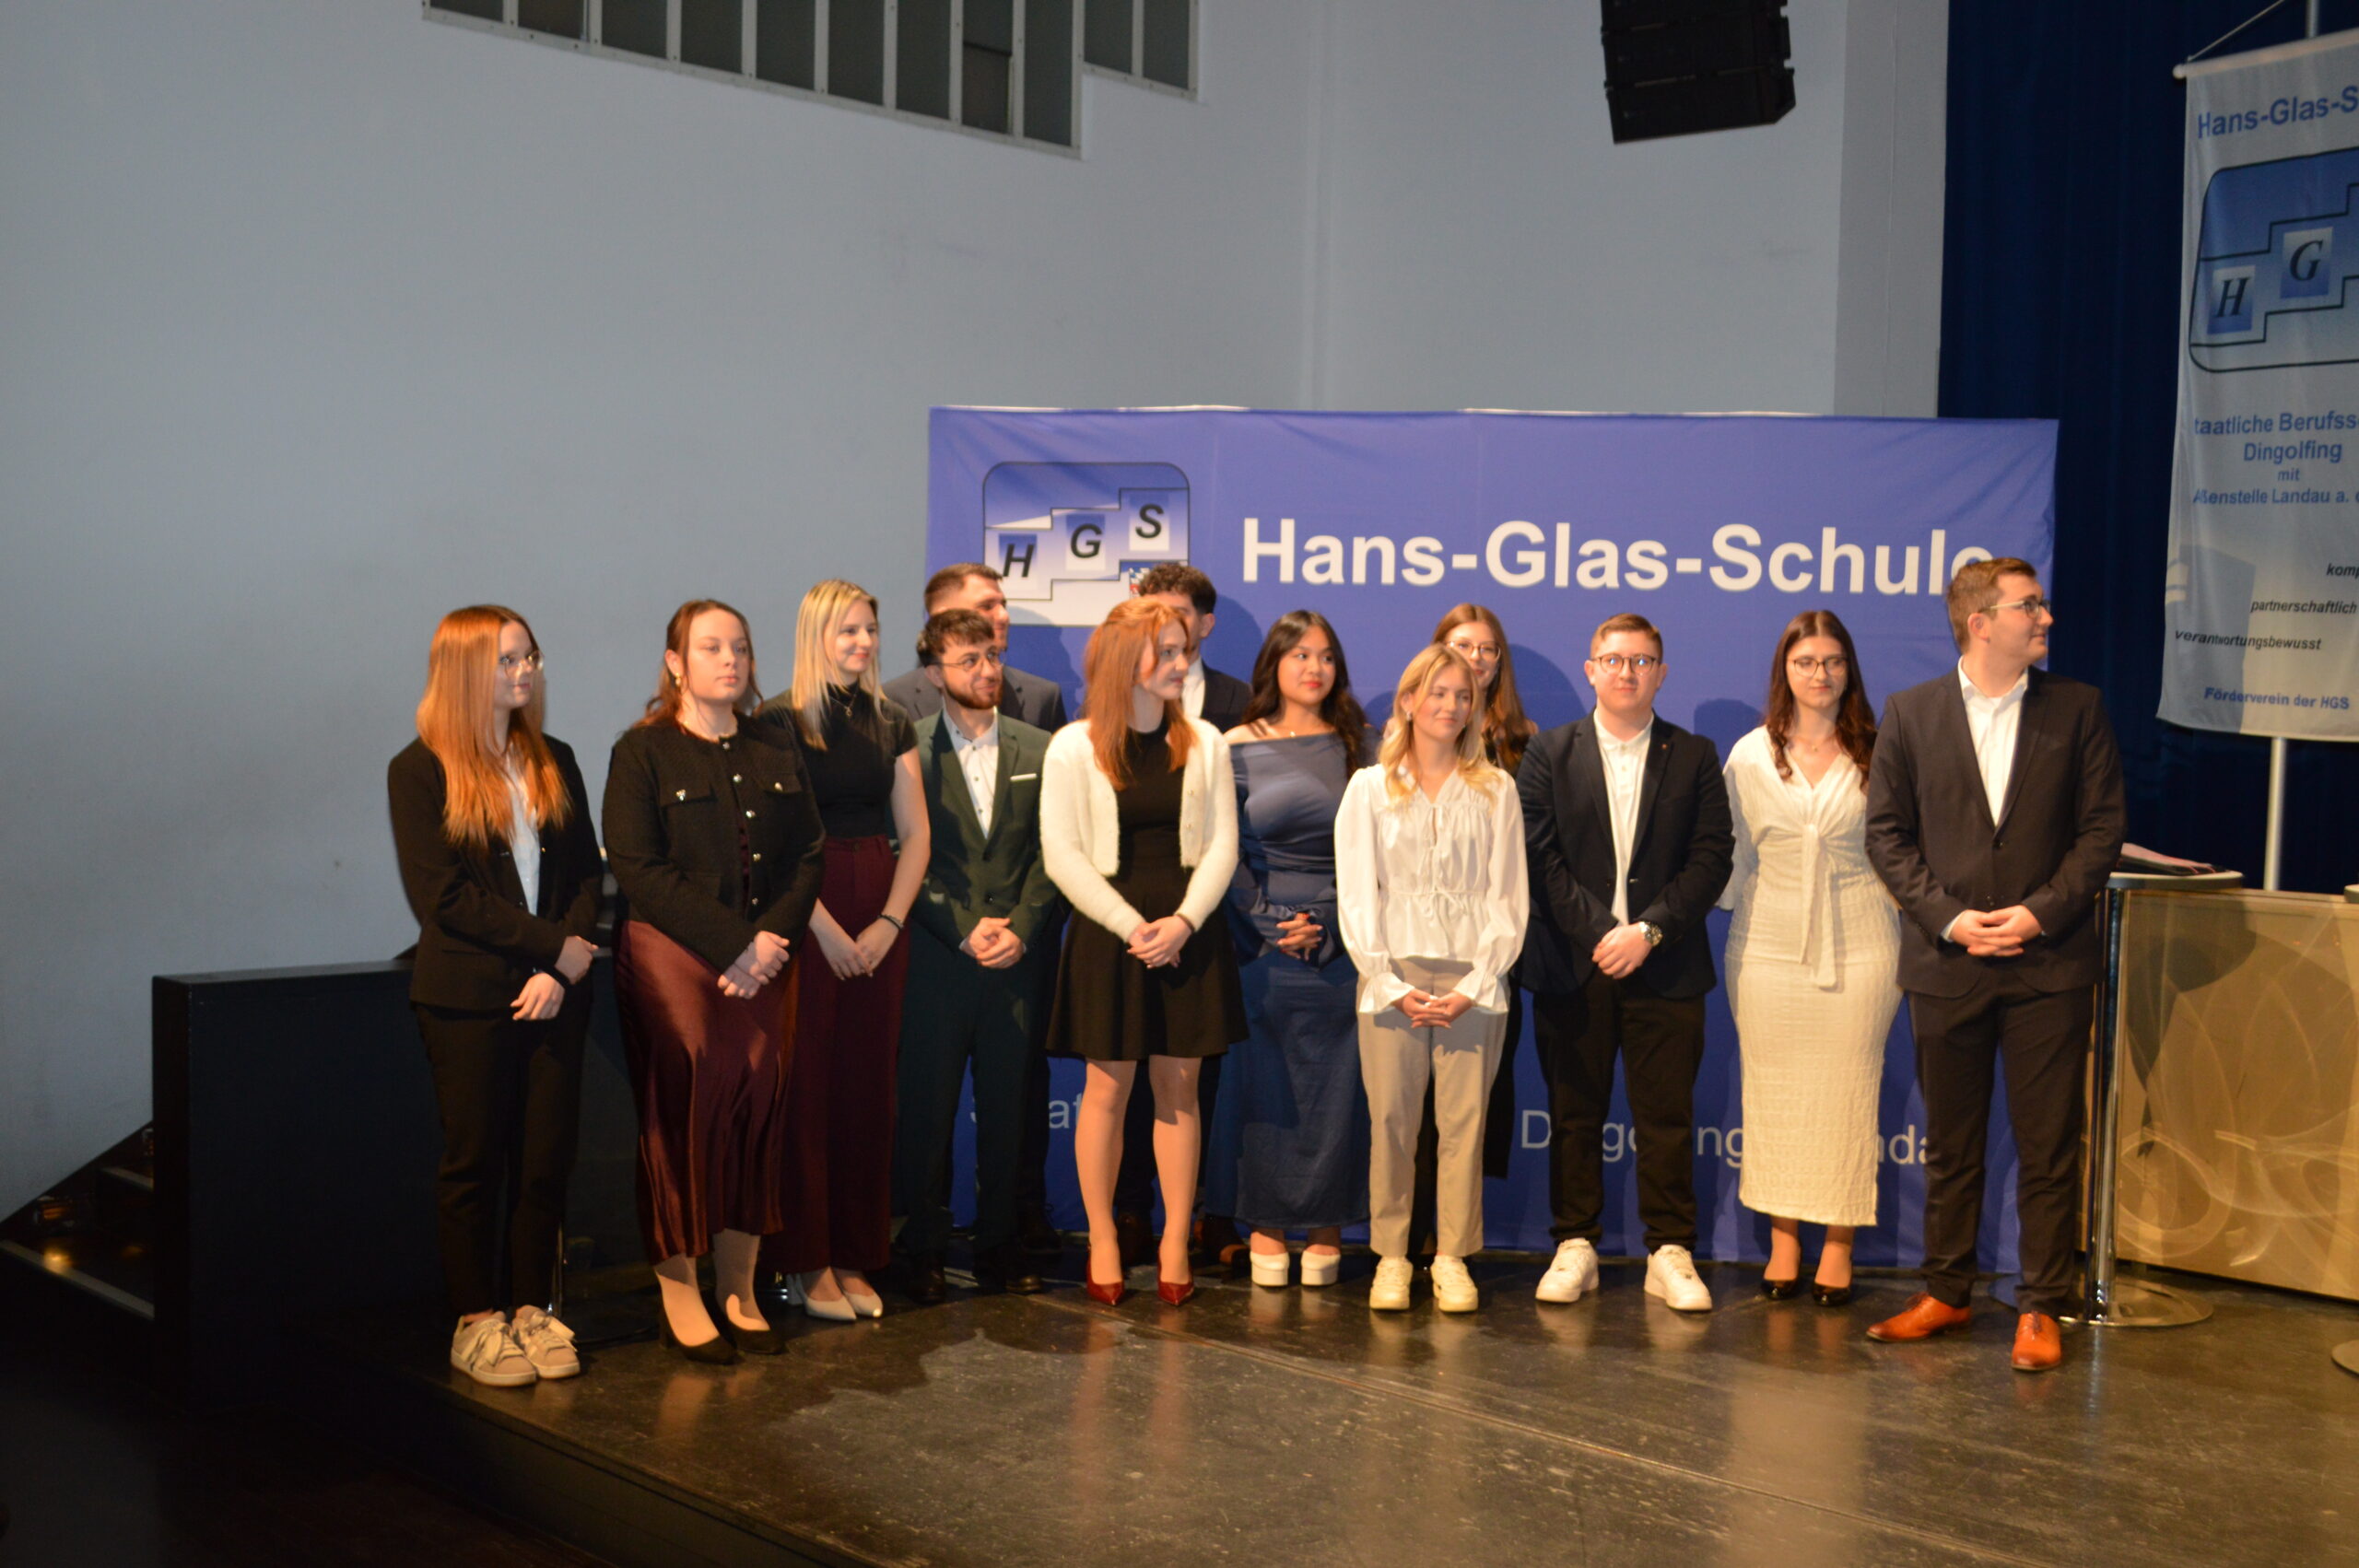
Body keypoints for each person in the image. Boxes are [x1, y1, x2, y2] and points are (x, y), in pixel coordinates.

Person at [1862, 558, 2123, 1374]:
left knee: (2049, 1145)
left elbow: (2101, 831)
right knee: (1951, 1143)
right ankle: (1946, 1291)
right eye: (2029, 606)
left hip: (2050, 963)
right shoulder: (1910, 714)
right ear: (1979, 623)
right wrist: (1950, 920)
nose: (2045, 618)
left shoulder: (2078, 708)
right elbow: (1886, 836)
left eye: (2041, 605)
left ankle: (2041, 1304)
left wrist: (2040, 911)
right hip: (1949, 964)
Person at [604, 601, 825, 1363]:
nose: (729, 660)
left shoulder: (774, 744)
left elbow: (809, 855)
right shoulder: (642, 751)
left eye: (739, 647)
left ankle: (739, 1287)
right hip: (674, 954)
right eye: (710, 647)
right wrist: (735, 944)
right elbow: (636, 866)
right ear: (676, 662)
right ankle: (680, 1291)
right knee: (685, 1112)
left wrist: (769, 941)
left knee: (758, 1108)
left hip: (767, 957)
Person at [389, 606, 604, 1388]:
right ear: (464, 670)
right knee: (475, 1163)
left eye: (530, 657)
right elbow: (444, 898)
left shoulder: (556, 758)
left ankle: (531, 1310)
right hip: (468, 998)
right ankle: (476, 1320)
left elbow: (584, 876)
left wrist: (560, 971)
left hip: (556, 992)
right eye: (508, 660)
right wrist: (554, 949)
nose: (525, 672)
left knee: (544, 1163)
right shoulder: (419, 769)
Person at [1519, 613, 1732, 1313]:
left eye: (1641, 661)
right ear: (1591, 670)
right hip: (1574, 965)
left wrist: (1649, 931)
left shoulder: (1694, 755)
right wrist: (1602, 934)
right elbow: (1538, 857)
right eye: (1613, 659)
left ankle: (1669, 1250)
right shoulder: (1549, 752)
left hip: (1666, 967)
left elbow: (1712, 857)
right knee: (1573, 1114)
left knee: (1666, 1117)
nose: (1627, 672)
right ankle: (1575, 1243)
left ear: (1661, 674)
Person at [1040, 597, 1245, 1306]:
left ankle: (1174, 1239)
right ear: (1129, 660)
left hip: (1188, 932)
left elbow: (1222, 846)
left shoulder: (1207, 742)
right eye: (1168, 650)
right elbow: (1063, 855)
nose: (1182, 663)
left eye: (1185, 648)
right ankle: (1101, 1237)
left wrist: (1183, 923)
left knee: (1180, 1088)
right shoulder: (1073, 747)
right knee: (1106, 1090)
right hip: (1110, 935)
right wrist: (1132, 926)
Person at [1335, 645, 1527, 1313]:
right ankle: (1392, 1256)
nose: (1450, 706)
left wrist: (1478, 982)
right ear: (1409, 701)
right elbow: (1356, 897)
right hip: (1392, 977)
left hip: (1476, 979)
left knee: (1464, 1127)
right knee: (1391, 1122)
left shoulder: (1496, 790)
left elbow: (1509, 897)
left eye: (1463, 696)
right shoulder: (1368, 789)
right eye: (1438, 692)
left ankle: (1451, 1257)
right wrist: (1388, 982)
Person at [882, 561, 1065, 1255]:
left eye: (992, 656)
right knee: (926, 1113)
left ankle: (1003, 1247)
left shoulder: (1040, 746)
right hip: (938, 961)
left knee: (1012, 1113)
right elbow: (903, 850)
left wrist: (1023, 927)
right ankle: (922, 1250)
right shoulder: (909, 750)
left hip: (1017, 962)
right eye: (970, 659)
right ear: (935, 672)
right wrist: (961, 929)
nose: (988, 670)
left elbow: (1056, 849)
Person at [1719, 610, 1900, 1306]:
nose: (1820, 674)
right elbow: (1733, 857)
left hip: (1863, 946)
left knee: (1849, 1095)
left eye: (1832, 661)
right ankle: (1785, 1242)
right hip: (1767, 947)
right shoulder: (1749, 755)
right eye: (1805, 662)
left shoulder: (1882, 751)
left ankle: (1840, 1245)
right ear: (1784, 671)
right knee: (1774, 1097)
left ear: (1849, 669)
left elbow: (1900, 853)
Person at [762, 580, 928, 1321]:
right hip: (809, 913)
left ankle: (857, 1253)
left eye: (870, 629)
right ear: (816, 635)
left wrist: (889, 922)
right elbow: (778, 843)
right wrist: (823, 929)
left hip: (880, 909)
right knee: (808, 1093)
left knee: (868, 1092)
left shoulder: (893, 720)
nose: (863, 643)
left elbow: (916, 834)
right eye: (847, 630)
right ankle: (806, 1260)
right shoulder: (777, 721)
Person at [1207, 611, 1370, 1289]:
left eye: (1326, 656)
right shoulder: (1231, 746)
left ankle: (1328, 1226)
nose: (1315, 667)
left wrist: (1325, 925)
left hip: (1343, 941)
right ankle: (1267, 1224)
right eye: (1300, 654)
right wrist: (1272, 922)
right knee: (1263, 1085)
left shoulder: (1361, 745)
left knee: (1337, 1086)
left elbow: (1372, 849)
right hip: (1258, 947)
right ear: (1273, 662)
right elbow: (1223, 849)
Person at [1121, 562, 1251, 1264]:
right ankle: (1131, 1213)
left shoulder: (1239, 702)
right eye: (1152, 614)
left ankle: (1208, 1215)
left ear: (1205, 623)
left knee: (1203, 1082)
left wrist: (1191, 918)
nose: (1166, 630)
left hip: (1209, 918)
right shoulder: (1106, 711)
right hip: (1131, 920)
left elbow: (1238, 828)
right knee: (1126, 1074)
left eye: (1178, 617)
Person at [884, 563, 1070, 731]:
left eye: (1003, 605)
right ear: (943, 617)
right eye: (986, 606)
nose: (1004, 616)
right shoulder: (893, 701)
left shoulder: (1041, 698)